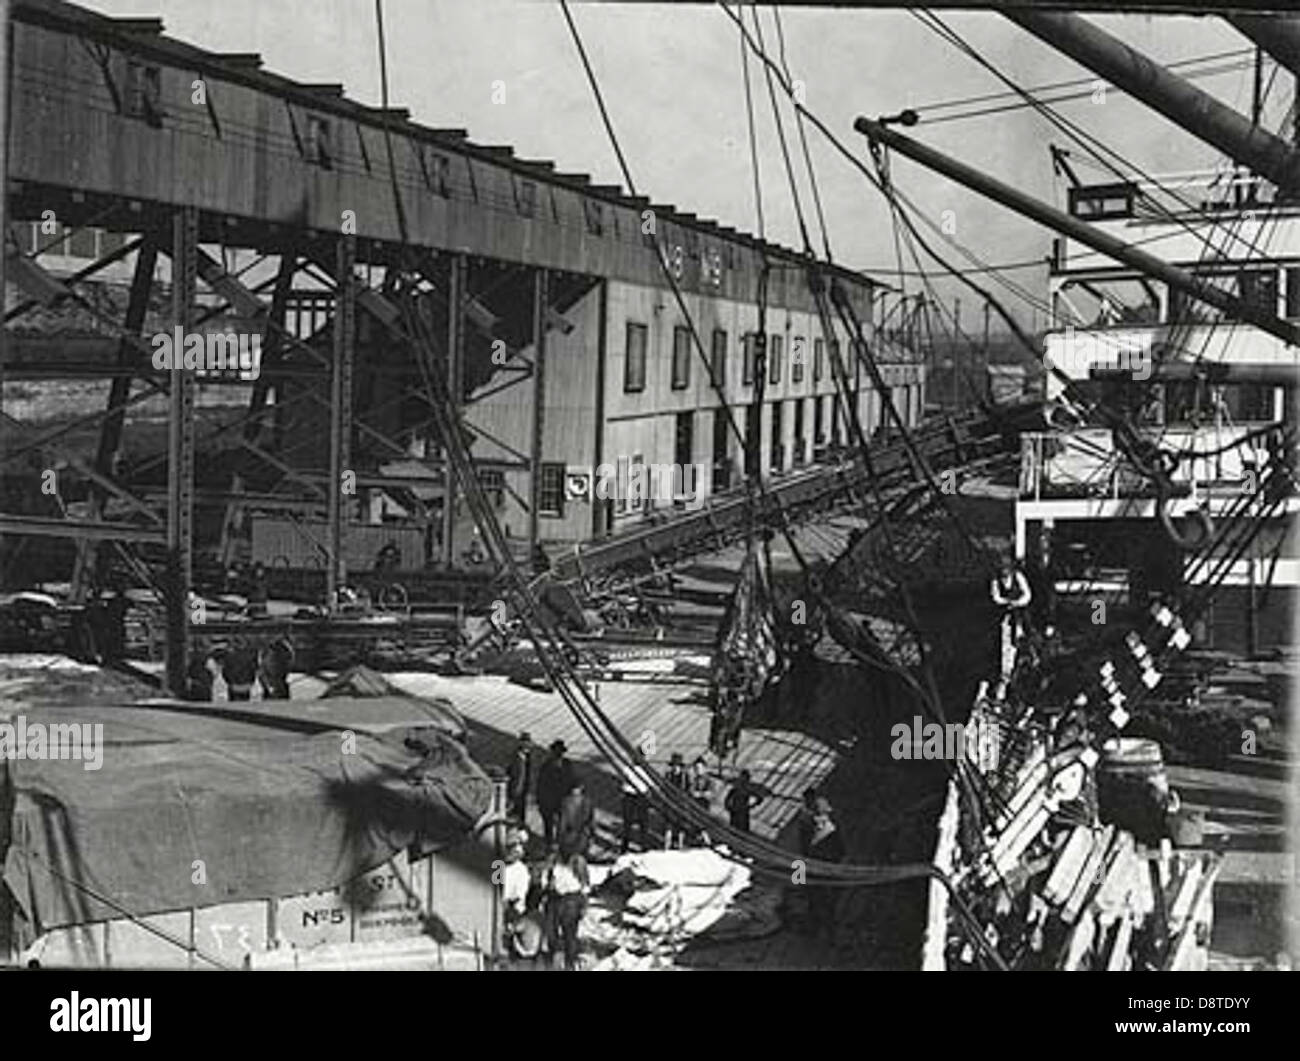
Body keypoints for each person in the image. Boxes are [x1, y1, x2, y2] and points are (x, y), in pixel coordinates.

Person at [545, 847, 589, 971]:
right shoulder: (554, 860)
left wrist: (584, 905)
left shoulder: (578, 862)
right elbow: (547, 880)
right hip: (555, 899)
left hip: (571, 901)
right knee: (551, 934)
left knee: (569, 936)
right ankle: (550, 963)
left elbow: (584, 885)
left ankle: (570, 965)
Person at [535, 740, 575, 847]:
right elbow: (541, 785)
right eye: (556, 752)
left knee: (562, 826)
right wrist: (539, 801)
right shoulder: (546, 766)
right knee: (548, 825)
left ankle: (560, 845)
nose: (558, 755)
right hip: (549, 802)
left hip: (563, 801)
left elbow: (573, 780)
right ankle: (549, 844)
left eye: (560, 753)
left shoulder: (567, 765)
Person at [620, 756, 652, 853]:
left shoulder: (628, 769)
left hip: (637, 796)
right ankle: (636, 845)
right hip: (633, 795)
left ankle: (630, 846)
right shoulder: (630, 769)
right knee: (636, 823)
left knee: (634, 823)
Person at [557, 781, 595, 860]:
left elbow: (562, 821)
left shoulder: (567, 802)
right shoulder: (568, 802)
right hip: (577, 834)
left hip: (576, 834)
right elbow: (563, 820)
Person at [506, 732, 536, 826]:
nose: (529, 746)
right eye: (526, 743)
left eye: (529, 743)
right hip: (515, 790)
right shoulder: (515, 757)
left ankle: (520, 827)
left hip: (523, 790)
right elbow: (511, 773)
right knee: (514, 812)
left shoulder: (528, 758)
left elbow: (529, 774)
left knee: (521, 812)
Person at [663, 752, 690, 850]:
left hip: (681, 804)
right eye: (674, 766)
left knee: (681, 826)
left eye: (677, 766)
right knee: (668, 826)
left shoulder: (685, 776)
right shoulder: (668, 776)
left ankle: (680, 845)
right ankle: (666, 846)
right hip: (670, 803)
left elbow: (687, 790)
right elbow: (664, 788)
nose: (675, 768)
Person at [687, 756, 714, 846]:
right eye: (696, 768)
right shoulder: (694, 780)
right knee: (696, 824)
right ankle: (698, 840)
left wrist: (700, 794)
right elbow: (691, 791)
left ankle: (706, 840)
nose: (697, 770)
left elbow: (710, 793)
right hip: (696, 806)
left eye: (699, 768)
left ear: (704, 768)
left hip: (704, 805)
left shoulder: (708, 780)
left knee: (703, 825)